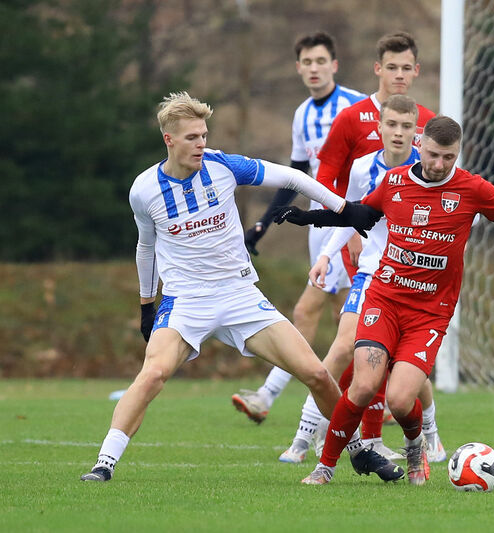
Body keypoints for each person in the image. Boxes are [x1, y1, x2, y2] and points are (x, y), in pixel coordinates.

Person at [80, 92, 390, 482]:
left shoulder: (224, 166)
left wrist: (344, 209)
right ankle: (103, 465)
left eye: (204, 135)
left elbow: (293, 177)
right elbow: (146, 247)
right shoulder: (144, 190)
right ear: (169, 140)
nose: (201, 144)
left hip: (240, 294)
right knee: (153, 374)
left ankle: (358, 449)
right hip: (186, 301)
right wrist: (147, 304)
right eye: (192, 137)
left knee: (314, 373)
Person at [274, 115, 494, 485]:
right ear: (419, 146)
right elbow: (359, 214)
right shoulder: (394, 183)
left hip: (430, 313)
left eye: (449, 157)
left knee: (400, 401)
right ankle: (325, 467)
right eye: (433, 155)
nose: (439, 165)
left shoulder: (472, 189)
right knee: (364, 385)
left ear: (458, 153)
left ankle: (416, 444)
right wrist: (307, 218)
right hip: (384, 299)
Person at [278, 95, 445, 465]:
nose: (399, 133)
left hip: (415, 280)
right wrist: (324, 255)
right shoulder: (361, 168)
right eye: (392, 125)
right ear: (379, 127)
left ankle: (431, 435)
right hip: (372, 274)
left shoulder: (428, 167)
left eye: (406, 126)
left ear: (415, 131)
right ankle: (303, 437)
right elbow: (350, 215)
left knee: (406, 366)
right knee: (340, 350)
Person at [232, 32, 366, 424]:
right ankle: (365, 403)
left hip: (349, 224)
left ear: (334, 65)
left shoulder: (355, 105)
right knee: (349, 317)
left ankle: (271, 396)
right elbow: (296, 177)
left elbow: (368, 173)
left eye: (320, 61)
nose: (313, 68)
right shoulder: (302, 114)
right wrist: (261, 226)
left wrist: (358, 227)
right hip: (320, 225)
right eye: (306, 62)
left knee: (312, 309)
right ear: (298, 68)